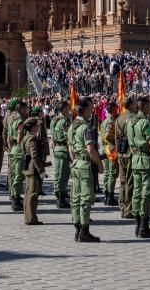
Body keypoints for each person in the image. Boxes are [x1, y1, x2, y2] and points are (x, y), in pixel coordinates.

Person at [68, 97, 104, 243]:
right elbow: (91, 149)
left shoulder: (72, 126)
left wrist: (75, 160)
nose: (92, 111)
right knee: (85, 198)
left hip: (76, 163)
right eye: (90, 108)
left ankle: (77, 230)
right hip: (84, 165)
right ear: (84, 110)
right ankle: (84, 230)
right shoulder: (85, 127)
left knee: (75, 198)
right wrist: (99, 163)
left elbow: (70, 148)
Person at [127, 95, 150, 238]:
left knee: (137, 192)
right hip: (146, 160)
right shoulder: (146, 123)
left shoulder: (130, 121)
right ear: (145, 106)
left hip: (135, 159)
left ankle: (137, 225)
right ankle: (144, 227)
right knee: (147, 194)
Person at [115, 96, 136, 219]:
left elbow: (117, 138)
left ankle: (122, 206)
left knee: (123, 182)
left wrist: (118, 153)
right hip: (130, 152)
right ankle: (128, 209)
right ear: (131, 105)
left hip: (122, 152)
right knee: (130, 182)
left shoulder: (119, 119)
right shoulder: (133, 118)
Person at [22, 117, 45, 225]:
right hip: (33, 168)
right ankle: (31, 218)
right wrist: (41, 170)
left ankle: (29, 217)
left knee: (28, 193)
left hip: (28, 167)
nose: (38, 127)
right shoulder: (32, 139)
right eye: (37, 126)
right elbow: (34, 156)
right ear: (33, 127)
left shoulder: (26, 137)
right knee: (32, 194)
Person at [7, 100, 29, 212]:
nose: (27, 111)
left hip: (14, 148)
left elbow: (8, 137)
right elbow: (20, 135)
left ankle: (16, 196)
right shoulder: (20, 121)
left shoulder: (12, 120)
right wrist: (21, 148)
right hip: (19, 148)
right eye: (25, 109)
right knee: (18, 175)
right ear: (20, 109)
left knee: (14, 173)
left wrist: (12, 148)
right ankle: (15, 199)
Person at [50, 100, 71, 208]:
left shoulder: (54, 119)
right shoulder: (65, 121)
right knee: (63, 174)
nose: (69, 111)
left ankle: (59, 193)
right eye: (68, 108)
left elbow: (52, 137)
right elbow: (68, 138)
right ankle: (61, 198)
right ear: (64, 109)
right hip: (63, 148)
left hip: (57, 148)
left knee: (58, 173)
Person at [100, 101, 119, 206]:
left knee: (107, 173)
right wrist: (117, 138)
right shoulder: (111, 122)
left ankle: (107, 194)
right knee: (112, 173)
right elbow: (107, 136)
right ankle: (110, 196)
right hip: (110, 149)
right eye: (116, 108)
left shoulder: (104, 121)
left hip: (106, 148)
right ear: (113, 109)